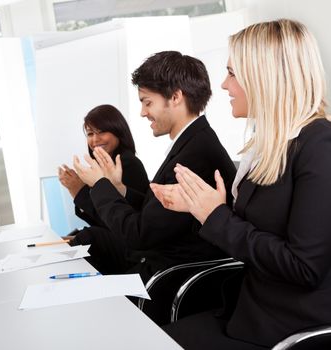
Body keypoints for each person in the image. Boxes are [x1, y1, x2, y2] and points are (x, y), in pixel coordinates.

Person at [152, 19, 331, 349]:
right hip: (248, 312)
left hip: (287, 330)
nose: (223, 85)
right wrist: (204, 208)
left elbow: (305, 267)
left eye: (232, 73)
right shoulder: (271, 145)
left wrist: (216, 216)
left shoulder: (320, 147)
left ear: (265, 78)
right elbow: (260, 230)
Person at [70, 51, 237, 282]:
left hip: (167, 278)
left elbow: (140, 234)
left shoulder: (194, 155)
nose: (142, 112)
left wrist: (99, 184)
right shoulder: (194, 142)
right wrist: (119, 189)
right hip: (160, 265)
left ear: (176, 97)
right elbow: (158, 214)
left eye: (148, 102)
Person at [58, 104, 149, 228]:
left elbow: (113, 223)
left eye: (102, 132)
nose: (95, 139)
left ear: (118, 131)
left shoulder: (126, 163)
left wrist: (78, 190)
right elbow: (98, 220)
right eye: (90, 134)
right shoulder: (99, 167)